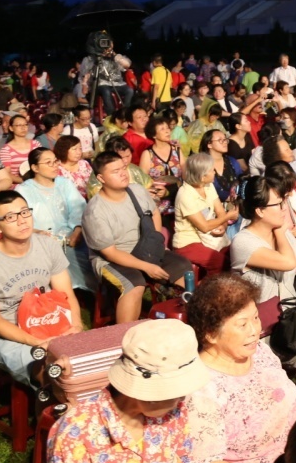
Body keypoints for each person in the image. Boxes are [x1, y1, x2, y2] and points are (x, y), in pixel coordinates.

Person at [48, 319, 215, 463]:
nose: (182, 399)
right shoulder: (76, 435)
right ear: (146, 393)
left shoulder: (175, 413)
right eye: (175, 392)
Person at [186, 272, 296, 463]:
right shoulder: (202, 388)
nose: (255, 329)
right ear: (210, 333)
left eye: (255, 317)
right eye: (242, 324)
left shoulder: (259, 353)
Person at [0, 191, 84, 386]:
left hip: (51, 320)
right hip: (11, 335)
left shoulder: (48, 245)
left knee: (90, 364)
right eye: (10, 217)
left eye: (24, 212)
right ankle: (54, 413)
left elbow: (66, 295)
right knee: (53, 375)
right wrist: (39, 343)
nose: (21, 221)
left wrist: (77, 326)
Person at [83, 152, 192, 324]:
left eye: (123, 168)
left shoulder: (137, 190)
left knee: (183, 267)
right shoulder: (95, 211)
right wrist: (146, 266)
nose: (123, 173)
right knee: (134, 284)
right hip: (112, 260)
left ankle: (185, 322)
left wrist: (156, 243)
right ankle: (123, 338)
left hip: (145, 250)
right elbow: (109, 252)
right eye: (115, 171)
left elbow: (154, 212)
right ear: (101, 178)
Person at [16, 148, 94, 293]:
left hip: (72, 236)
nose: (54, 166)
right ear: (35, 167)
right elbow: (21, 220)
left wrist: (77, 229)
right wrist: (38, 232)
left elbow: (78, 208)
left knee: (88, 255)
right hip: (42, 240)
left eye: (55, 162)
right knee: (59, 259)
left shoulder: (64, 183)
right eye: (48, 163)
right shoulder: (23, 190)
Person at [230, 175, 296, 306]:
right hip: (261, 318)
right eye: (279, 204)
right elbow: (288, 262)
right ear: (260, 211)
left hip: (290, 312)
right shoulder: (242, 242)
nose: (284, 208)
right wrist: (279, 232)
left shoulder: (283, 232)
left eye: (284, 201)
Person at [173, 152, 239, 277]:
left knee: (235, 254)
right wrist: (228, 216)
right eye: (211, 170)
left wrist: (223, 226)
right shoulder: (185, 195)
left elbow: (220, 212)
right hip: (188, 242)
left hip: (209, 236)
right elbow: (203, 226)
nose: (214, 172)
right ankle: (207, 292)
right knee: (219, 262)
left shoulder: (208, 186)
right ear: (202, 176)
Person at [139, 116, 183, 218]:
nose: (167, 131)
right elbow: (143, 182)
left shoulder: (176, 150)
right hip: (159, 203)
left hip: (178, 198)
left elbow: (186, 176)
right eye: (162, 129)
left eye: (167, 128)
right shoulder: (147, 154)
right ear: (154, 135)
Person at [52, 135, 93, 200]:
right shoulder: (56, 169)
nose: (79, 152)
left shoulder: (84, 164)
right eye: (74, 149)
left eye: (80, 148)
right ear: (64, 150)